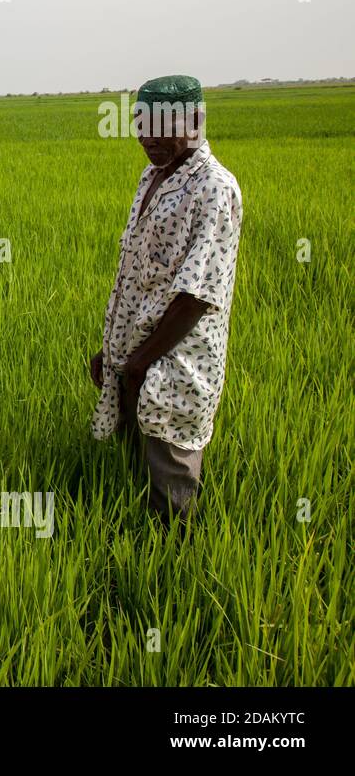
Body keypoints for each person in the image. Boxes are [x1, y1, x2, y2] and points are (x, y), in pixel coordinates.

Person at [89, 75, 243, 523]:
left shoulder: (213, 187)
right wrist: (116, 351)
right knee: (133, 462)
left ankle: (174, 569)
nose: (148, 139)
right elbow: (140, 271)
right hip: (135, 348)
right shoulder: (153, 175)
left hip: (177, 357)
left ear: (196, 121)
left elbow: (197, 296)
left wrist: (141, 361)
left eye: (162, 128)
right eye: (142, 125)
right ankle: (130, 541)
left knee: (169, 469)